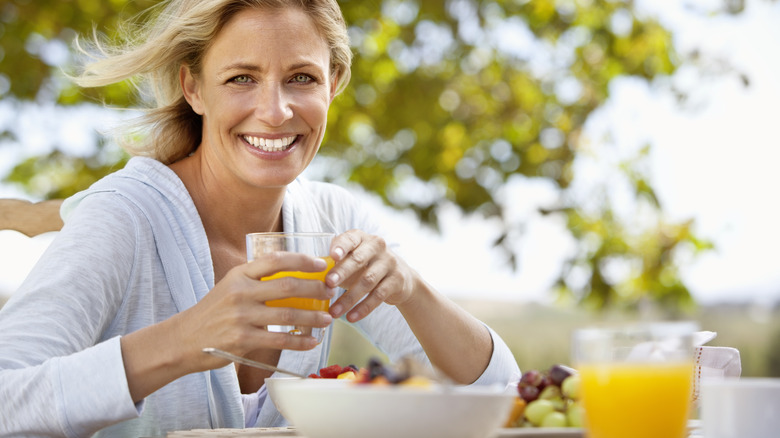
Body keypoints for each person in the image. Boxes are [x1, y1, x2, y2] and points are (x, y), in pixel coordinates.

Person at [0, 0, 521, 436]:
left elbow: (501, 394)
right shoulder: (124, 218)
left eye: (301, 77)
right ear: (194, 88)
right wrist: (183, 340)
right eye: (242, 78)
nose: (275, 111)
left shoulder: (333, 220)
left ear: (333, 84)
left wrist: (411, 289)